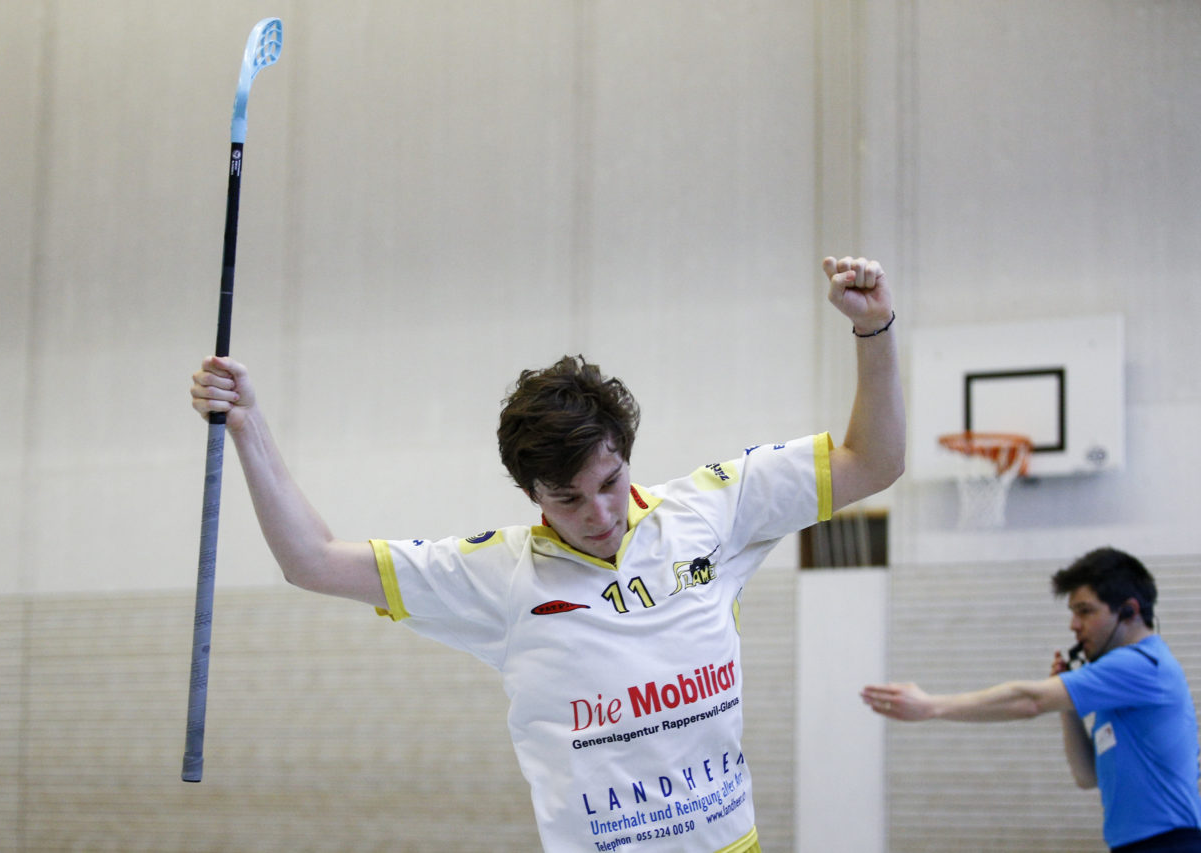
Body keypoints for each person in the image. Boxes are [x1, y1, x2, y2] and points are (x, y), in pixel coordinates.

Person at [191, 256, 904, 853]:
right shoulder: (498, 576)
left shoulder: (713, 508)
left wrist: (874, 329)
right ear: (531, 492)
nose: (599, 514)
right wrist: (247, 426)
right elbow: (312, 560)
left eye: (610, 483)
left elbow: (873, 462)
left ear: (626, 455)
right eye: (567, 498)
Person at [861, 547, 1201, 853]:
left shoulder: (1140, 665)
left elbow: (1029, 701)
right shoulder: (1120, 687)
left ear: (1129, 611)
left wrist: (932, 706)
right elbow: (1087, 776)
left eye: (1085, 611)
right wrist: (1067, 706)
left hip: (1170, 844)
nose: (1074, 625)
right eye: (1073, 612)